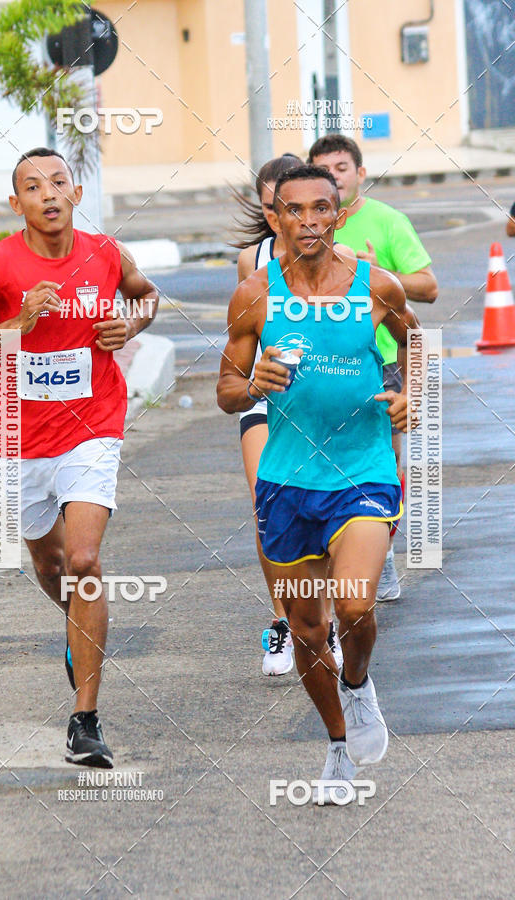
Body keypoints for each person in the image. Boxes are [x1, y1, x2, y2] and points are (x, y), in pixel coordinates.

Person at [0, 148, 159, 768]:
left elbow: (146, 295)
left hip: (94, 425)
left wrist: (130, 326)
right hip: (16, 433)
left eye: (59, 182)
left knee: (85, 558)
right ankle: (78, 631)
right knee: (52, 562)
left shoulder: (106, 253)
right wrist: (16, 325)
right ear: (17, 204)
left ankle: (85, 720)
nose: (49, 194)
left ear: (76, 193)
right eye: (33, 187)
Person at [217, 165, 419, 800]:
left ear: (340, 214)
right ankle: (337, 743)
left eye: (321, 208)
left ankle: (357, 685)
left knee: (355, 604)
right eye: (294, 210)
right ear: (275, 219)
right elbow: (225, 390)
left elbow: (412, 340)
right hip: (286, 483)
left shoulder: (375, 286)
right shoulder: (255, 295)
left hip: (362, 472)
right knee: (307, 630)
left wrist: (405, 391)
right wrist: (252, 386)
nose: (309, 221)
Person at [233, 153, 350, 676]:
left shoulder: (339, 260)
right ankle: (284, 620)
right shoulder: (251, 263)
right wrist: (253, 380)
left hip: (325, 398)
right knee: (268, 502)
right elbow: (239, 350)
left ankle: (323, 621)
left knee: (324, 505)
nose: (294, 220)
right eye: (275, 209)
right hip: (267, 396)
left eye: (309, 209)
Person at [308, 135, 437, 601]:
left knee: (381, 464)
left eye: (343, 167)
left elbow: (429, 286)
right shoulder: (307, 225)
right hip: (314, 369)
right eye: (325, 168)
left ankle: (376, 556)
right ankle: (337, 556)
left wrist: (381, 275)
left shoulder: (388, 221)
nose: (335, 175)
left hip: (380, 364)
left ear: (360, 173)